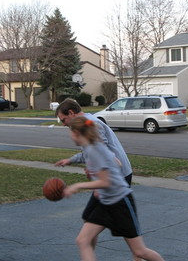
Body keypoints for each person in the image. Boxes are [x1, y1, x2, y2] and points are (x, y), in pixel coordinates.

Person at [63, 116, 165, 261]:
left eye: (70, 132)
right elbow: (88, 157)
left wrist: (77, 186)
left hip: (120, 203)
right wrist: (69, 160)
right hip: (106, 204)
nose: (69, 135)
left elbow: (106, 181)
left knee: (140, 252)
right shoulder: (90, 146)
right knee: (82, 240)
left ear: (77, 133)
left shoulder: (95, 150)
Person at [55, 98, 133, 221]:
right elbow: (90, 152)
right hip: (108, 178)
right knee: (92, 218)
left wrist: (93, 177)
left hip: (117, 177)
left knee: (101, 219)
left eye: (63, 120)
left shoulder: (91, 124)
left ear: (71, 113)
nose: (63, 124)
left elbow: (104, 154)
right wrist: (70, 160)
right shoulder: (85, 123)